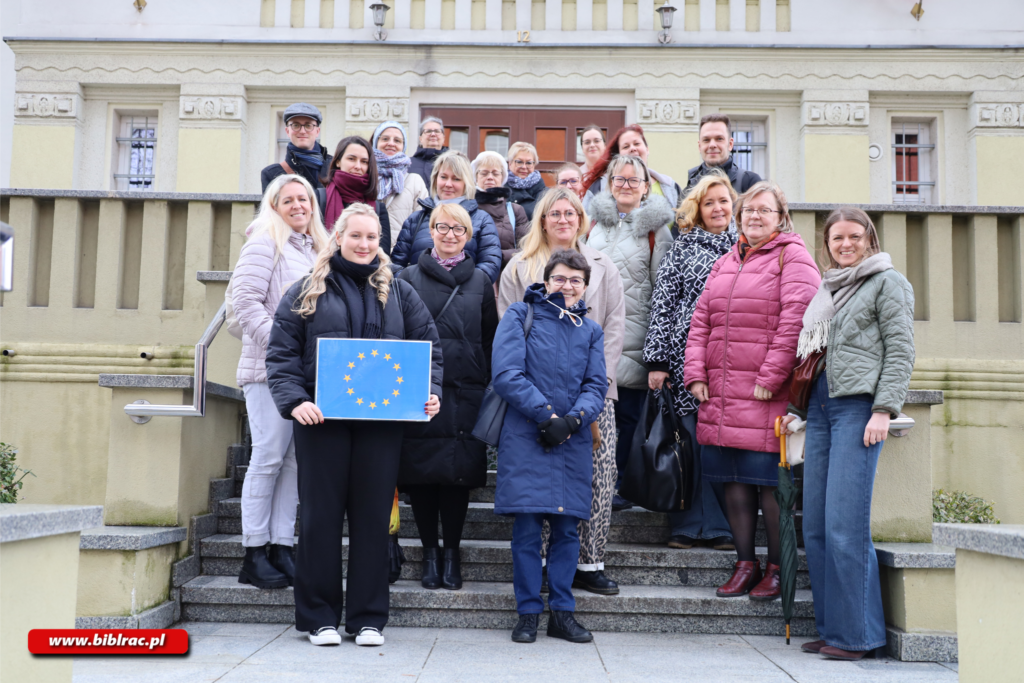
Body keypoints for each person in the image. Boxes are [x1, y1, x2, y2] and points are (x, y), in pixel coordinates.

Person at [266, 203, 443, 648]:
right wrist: (294, 401)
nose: (364, 244)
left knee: (371, 520)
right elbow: (282, 353)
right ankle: (318, 618)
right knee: (321, 519)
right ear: (338, 236)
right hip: (322, 420)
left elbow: (429, 349)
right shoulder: (306, 289)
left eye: (372, 238)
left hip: (381, 424)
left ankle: (367, 619)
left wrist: (429, 392)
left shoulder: (400, 291)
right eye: (356, 236)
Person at [781, 208, 914, 661]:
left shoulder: (887, 281)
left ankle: (858, 636)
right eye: (837, 238)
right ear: (827, 243)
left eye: (854, 237)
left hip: (858, 409)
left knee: (845, 526)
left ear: (869, 239)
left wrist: (884, 409)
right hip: (819, 409)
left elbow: (900, 350)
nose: (845, 244)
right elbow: (814, 355)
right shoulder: (827, 287)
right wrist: (797, 410)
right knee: (815, 526)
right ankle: (833, 628)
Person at [683, 181, 820, 602]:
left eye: (764, 210)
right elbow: (701, 320)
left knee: (770, 487)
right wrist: (695, 374)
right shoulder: (728, 260)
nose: (755, 217)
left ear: (782, 217)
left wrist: (770, 377)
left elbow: (796, 322)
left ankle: (779, 568)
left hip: (766, 394)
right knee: (733, 482)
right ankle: (746, 563)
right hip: (722, 392)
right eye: (748, 211)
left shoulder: (793, 257)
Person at [498, 187, 625, 595]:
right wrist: (542, 407)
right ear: (543, 219)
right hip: (532, 398)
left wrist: (592, 394)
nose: (564, 219)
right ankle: (542, 581)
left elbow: (613, 327)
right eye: (556, 212)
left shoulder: (603, 264)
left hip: (591, 395)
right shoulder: (519, 267)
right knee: (537, 496)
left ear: (581, 219)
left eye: (572, 212)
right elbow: (511, 332)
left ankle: (588, 563)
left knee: (597, 479)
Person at [493, 250, 608, 644]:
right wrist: (545, 416)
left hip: (571, 441)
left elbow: (597, 385)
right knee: (526, 529)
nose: (568, 286)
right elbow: (507, 374)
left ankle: (562, 612)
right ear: (546, 280)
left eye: (576, 280)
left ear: (585, 286)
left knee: (566, 530)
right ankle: (528, 613)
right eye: (561, 278)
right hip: (527, 435)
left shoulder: (591, 330)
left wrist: (574, 421)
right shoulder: (518, 315)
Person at [396, 203, 499, 591]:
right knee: (423, 476)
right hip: (422, 392)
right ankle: (429, 553)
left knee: (457, 479)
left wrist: (485, 381)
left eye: (459, 229)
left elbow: (489, 338)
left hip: (466, 392)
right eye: (442, 227)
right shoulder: (406, 276)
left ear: (469, 235)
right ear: (431, 231)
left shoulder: (479, 282)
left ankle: (452, 553)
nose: (450, 234)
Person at [233, 174, 328, 590]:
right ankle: (253, 552)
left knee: (292, 462)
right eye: (287, 199)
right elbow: (244, 302)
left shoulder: (318, 249)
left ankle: (281, 546)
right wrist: (282, 345)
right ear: (274, 206)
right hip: (267, 371)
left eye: (303, 198)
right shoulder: (263, 241)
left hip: (304, 376)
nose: (298, 205)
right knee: (268, 457)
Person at [643, 171, 736, 551]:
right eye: (709, 202)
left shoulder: (747, 246)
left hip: (733, 363)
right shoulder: (681, 247)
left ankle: (722, 526)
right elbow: (662, 305)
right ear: (697, 209)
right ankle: (686, 525)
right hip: (685, 362)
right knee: (688, 442)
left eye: (724, 201)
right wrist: (657, 361)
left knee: (724, 445)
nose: (717, 208)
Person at [585, 155, 674, 511]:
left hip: (636, 342)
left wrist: (657, 355)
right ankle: (594, 484)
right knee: (596, 415)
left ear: (645, 188)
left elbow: (664, 293)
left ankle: (621, 485)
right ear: (609, 184)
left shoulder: (657, 231)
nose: (625, 186)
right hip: (595, 337)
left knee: (630, 421)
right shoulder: (592, 224)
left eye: (633, 181)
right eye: (619, 180)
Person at [391, 150, 503, 284]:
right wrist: (413, 290)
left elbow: (490, 264)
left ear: (466, 183)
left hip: (462, 300)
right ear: (435, 179)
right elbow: (397, 264)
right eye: (443, 177)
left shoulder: (482, 219)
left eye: (456, 179)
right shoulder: (415, 219)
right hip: (417, 300)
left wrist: (464, 290)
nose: (448, 184)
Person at [582, 124, 683, 210]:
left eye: (637, 143)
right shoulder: (600, 185)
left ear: (647, 149)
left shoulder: (670, 186)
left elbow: (684, 224)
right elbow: (584, 223)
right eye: (626, 146)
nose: (633, 148)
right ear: (618, 155)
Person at [324, 135, 393, 253]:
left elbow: (382, 254)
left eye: (364, 161)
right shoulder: (320, 199)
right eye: (351, 159)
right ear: (338, 162)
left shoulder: (378, 209)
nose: (358, 166)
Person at [372, 121, 429, 249]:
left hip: (401, 261)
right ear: (376, 143)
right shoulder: (366, 177)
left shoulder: (415, 181)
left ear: (403, 146)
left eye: (397, 140)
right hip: (366, 256)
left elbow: (423, 226)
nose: (391, 143)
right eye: (385, 138)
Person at [471, 150, 530, 272]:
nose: (490, 177)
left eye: (495, 173)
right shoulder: (466, 208)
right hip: (473, 275)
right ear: (476, 177)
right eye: (484, 173)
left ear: (502, 177)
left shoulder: (515, 211)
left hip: (507, 277)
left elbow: (527, 249)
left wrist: (497, 256)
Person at [683, 113, 762, 199]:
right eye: (706, 140)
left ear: (730, 144)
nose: (712, 145)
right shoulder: (691, 184)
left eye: (719, 139)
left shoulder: (749, 182)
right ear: (699, 146)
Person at [261, 103, 331, 193]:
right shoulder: (271, 174)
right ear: (287, 131)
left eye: (308, 125)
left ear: (317, 131)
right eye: (296, 125)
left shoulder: (336, 167)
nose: (302, 131)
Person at [505, 141, 548, 220]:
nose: (524, 167)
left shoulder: (545, 192)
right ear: (510, 163)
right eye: (519, 162)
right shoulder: (501, 189)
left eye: (529, 163)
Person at [410, 116, 448, 183]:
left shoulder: (453, 163)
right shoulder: (408, 164)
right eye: (428, 131)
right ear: (420, 139)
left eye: (437, 131)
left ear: (444, 138)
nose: (433, 134)